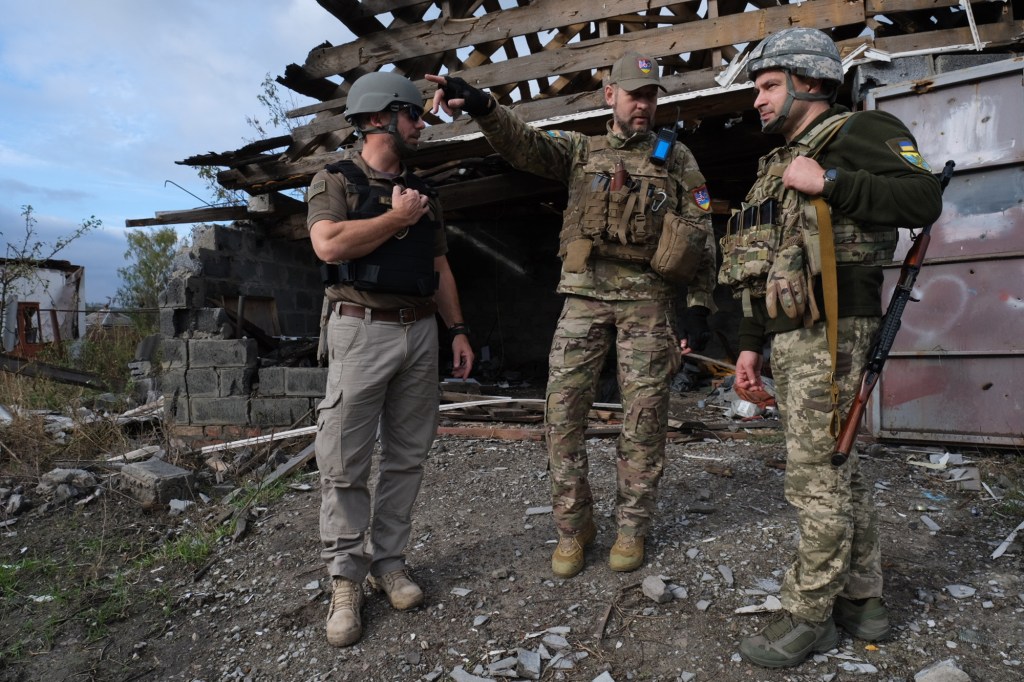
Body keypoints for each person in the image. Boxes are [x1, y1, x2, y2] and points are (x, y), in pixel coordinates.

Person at [427, 53, 717, 578]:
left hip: (648, 301)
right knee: (561, 417)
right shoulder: (583, 150)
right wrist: (484, 106)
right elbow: (525, 145)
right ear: (611, 95)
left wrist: (698, 307)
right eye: (634, 95)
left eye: (651, 96)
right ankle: (573, 525)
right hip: (584, 297)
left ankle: (631, 527)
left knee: (645, 421)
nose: (643, 105)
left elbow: (700, 232)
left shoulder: (676, 159)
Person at [718, 28, 943, 668]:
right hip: (790, 335)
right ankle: (864, 601)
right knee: (838, 470)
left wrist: (833, 182)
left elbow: (923, 199)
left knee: (814, 481)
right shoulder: (775, 164)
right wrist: (748, 348)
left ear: (809, 81)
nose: (756, 101)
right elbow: (765, 267)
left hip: (835, 331)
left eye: (766, 86)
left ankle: (808, 615)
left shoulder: (859, 133)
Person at [305, 70, 474, 648]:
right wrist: (396, 219)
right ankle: (345, 579)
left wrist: (458, 329)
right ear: (379, 118)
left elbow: (441, 266)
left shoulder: (427, 192)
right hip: (359, 330)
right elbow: (328, 245)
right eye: (414, 115)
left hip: (421, 330)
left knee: (407, 456)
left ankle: (390, 562)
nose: (422, 125)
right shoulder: (336, 179)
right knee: (345, 461)